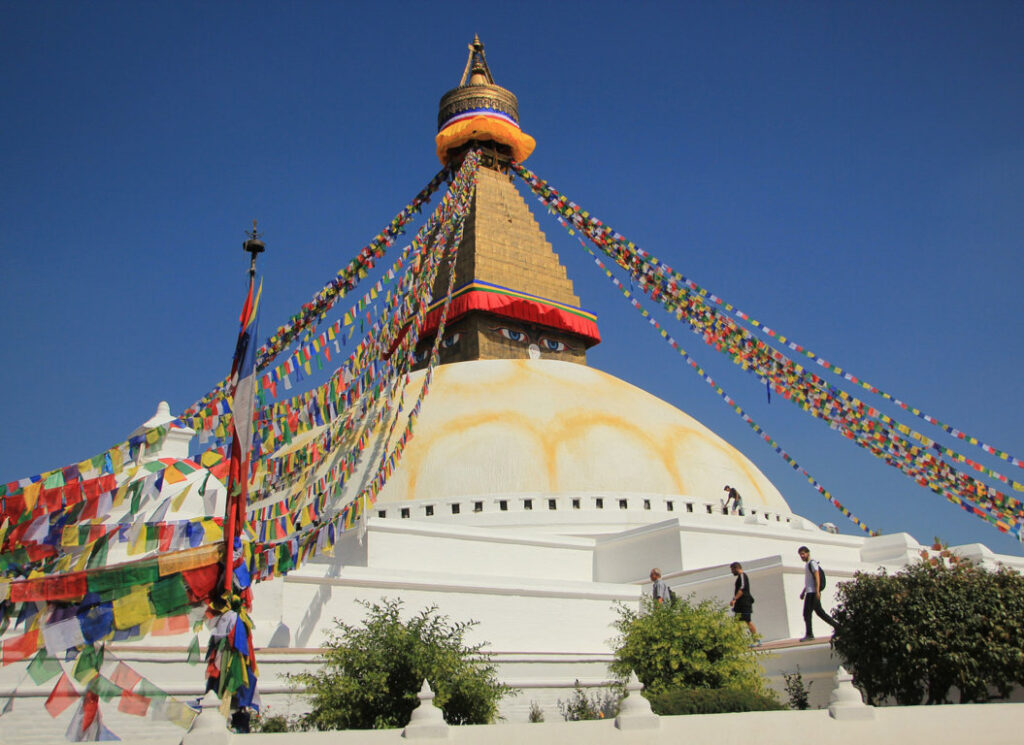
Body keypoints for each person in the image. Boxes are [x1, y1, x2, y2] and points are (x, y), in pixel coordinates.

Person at [798, 546, 836, 642]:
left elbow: (817, 576)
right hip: (810, 591)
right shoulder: (807, 565)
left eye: (803, 553)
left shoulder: (812, 563)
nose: (802, 556)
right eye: (800, 555)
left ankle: (809, 634)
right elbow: (809, 581)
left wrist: (817, 591)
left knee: (807, 613)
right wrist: (803, 592)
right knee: (819, 612)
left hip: (813, 592)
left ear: (808, 553)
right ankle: (838, 627)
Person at [729, 562, 758, 641]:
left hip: (745, 604)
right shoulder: (739, 577)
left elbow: (742, 589)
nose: (732, 572)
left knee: (747, 621)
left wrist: (734, 599)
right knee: (737, 622)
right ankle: (738, 641)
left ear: (736, 568)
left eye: (732, 570)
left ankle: (756, 640)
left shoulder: (742, 576)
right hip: (740, 605)